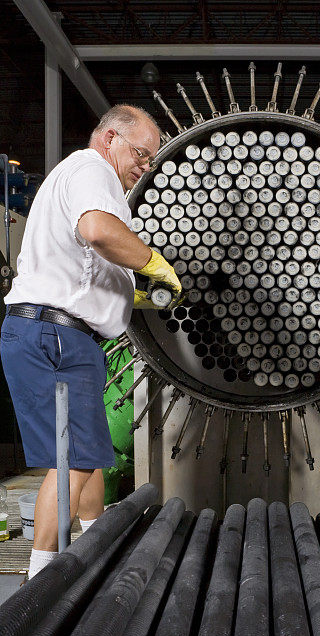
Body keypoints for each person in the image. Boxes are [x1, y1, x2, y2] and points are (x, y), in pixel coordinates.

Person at [1, 104, 182, 577]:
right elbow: (98, 232)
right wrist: (153, 262)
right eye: (141, 154)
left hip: (52, 334)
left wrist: (129, 292)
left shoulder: (78, 179)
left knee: (90, 454)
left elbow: (88, 263)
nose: (145, 165)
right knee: (72, 460)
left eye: (151, 159)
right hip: (56, 334)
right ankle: (42, 577)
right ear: (108, 139)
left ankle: (95, 544)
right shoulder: (91, 168)